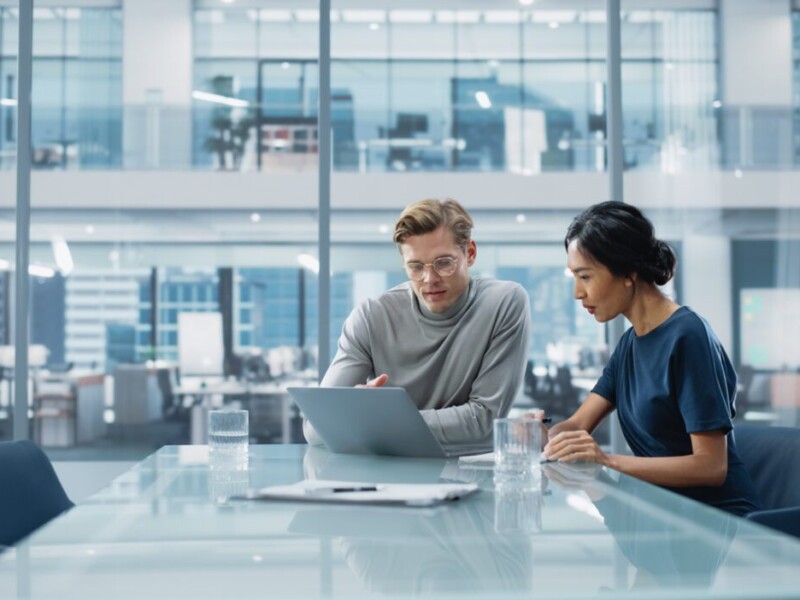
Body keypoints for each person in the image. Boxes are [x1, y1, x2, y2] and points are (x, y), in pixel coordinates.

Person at [540, 201, 760, 516]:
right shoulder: (630, 344)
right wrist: (544, 437)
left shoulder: (688, 337)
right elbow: (578, 424)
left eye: (585, 277)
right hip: (662, 511)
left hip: (718, 520)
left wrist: (606, 460)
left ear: (628, 273)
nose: (577, 293)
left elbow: (711, 467)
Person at [304, 198, 531, 447]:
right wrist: (359, 414)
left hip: (469, 472)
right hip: (386, 477)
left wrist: (371, 422)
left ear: (470, 253)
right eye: (415, 267)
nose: (429, 279)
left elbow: (483, 420)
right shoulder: (371, 316)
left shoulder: (504, 302)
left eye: (444, 263)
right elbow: (316, 427)